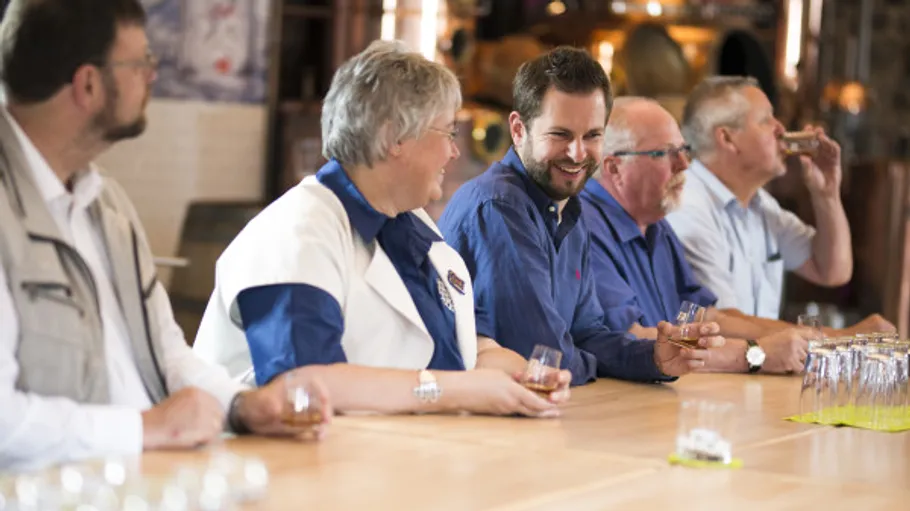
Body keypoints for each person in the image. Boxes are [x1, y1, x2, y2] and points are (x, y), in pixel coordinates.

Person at [0, 0, 329, 471]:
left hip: (142, 478)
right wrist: (146, 428)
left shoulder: (106, 203)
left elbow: (165, 352)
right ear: (88, 84)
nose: (152, 76)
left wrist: (242, 404)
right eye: (140, 64)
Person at [193, 40, 572, 418]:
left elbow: (463, 353)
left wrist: (521, 376)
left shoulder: (414, 226)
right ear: (395, 139)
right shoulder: (297, 233)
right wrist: (455, 391)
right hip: (296, 453)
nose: (454, 152)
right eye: (448, 133)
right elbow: (303, 384)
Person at [437, 47, 724, 387]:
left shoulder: (569, 210)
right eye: (560, 134)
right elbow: (543, 354)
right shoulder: (499, 206)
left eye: (592, 136)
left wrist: (654, 358)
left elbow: (588, 334)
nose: (577, 154)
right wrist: (593, 361)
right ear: (518, 129)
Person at [581, 97, 823, 374]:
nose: (684, 164)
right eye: (665, 153)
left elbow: (703, 316)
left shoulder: (655, 224)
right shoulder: (583, 226)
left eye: (683, 150)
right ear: (614, 168)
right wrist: (757, 353)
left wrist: (807, 338)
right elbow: (631, 339)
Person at [666, 76, 894, 334]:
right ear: (728, 139)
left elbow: (832, 271)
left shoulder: (761, 205)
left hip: (755, 359)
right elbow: (719, 322)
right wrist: (839, 337)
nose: (781, 129)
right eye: (766, 120)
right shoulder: (687, 205)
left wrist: (827, 195)